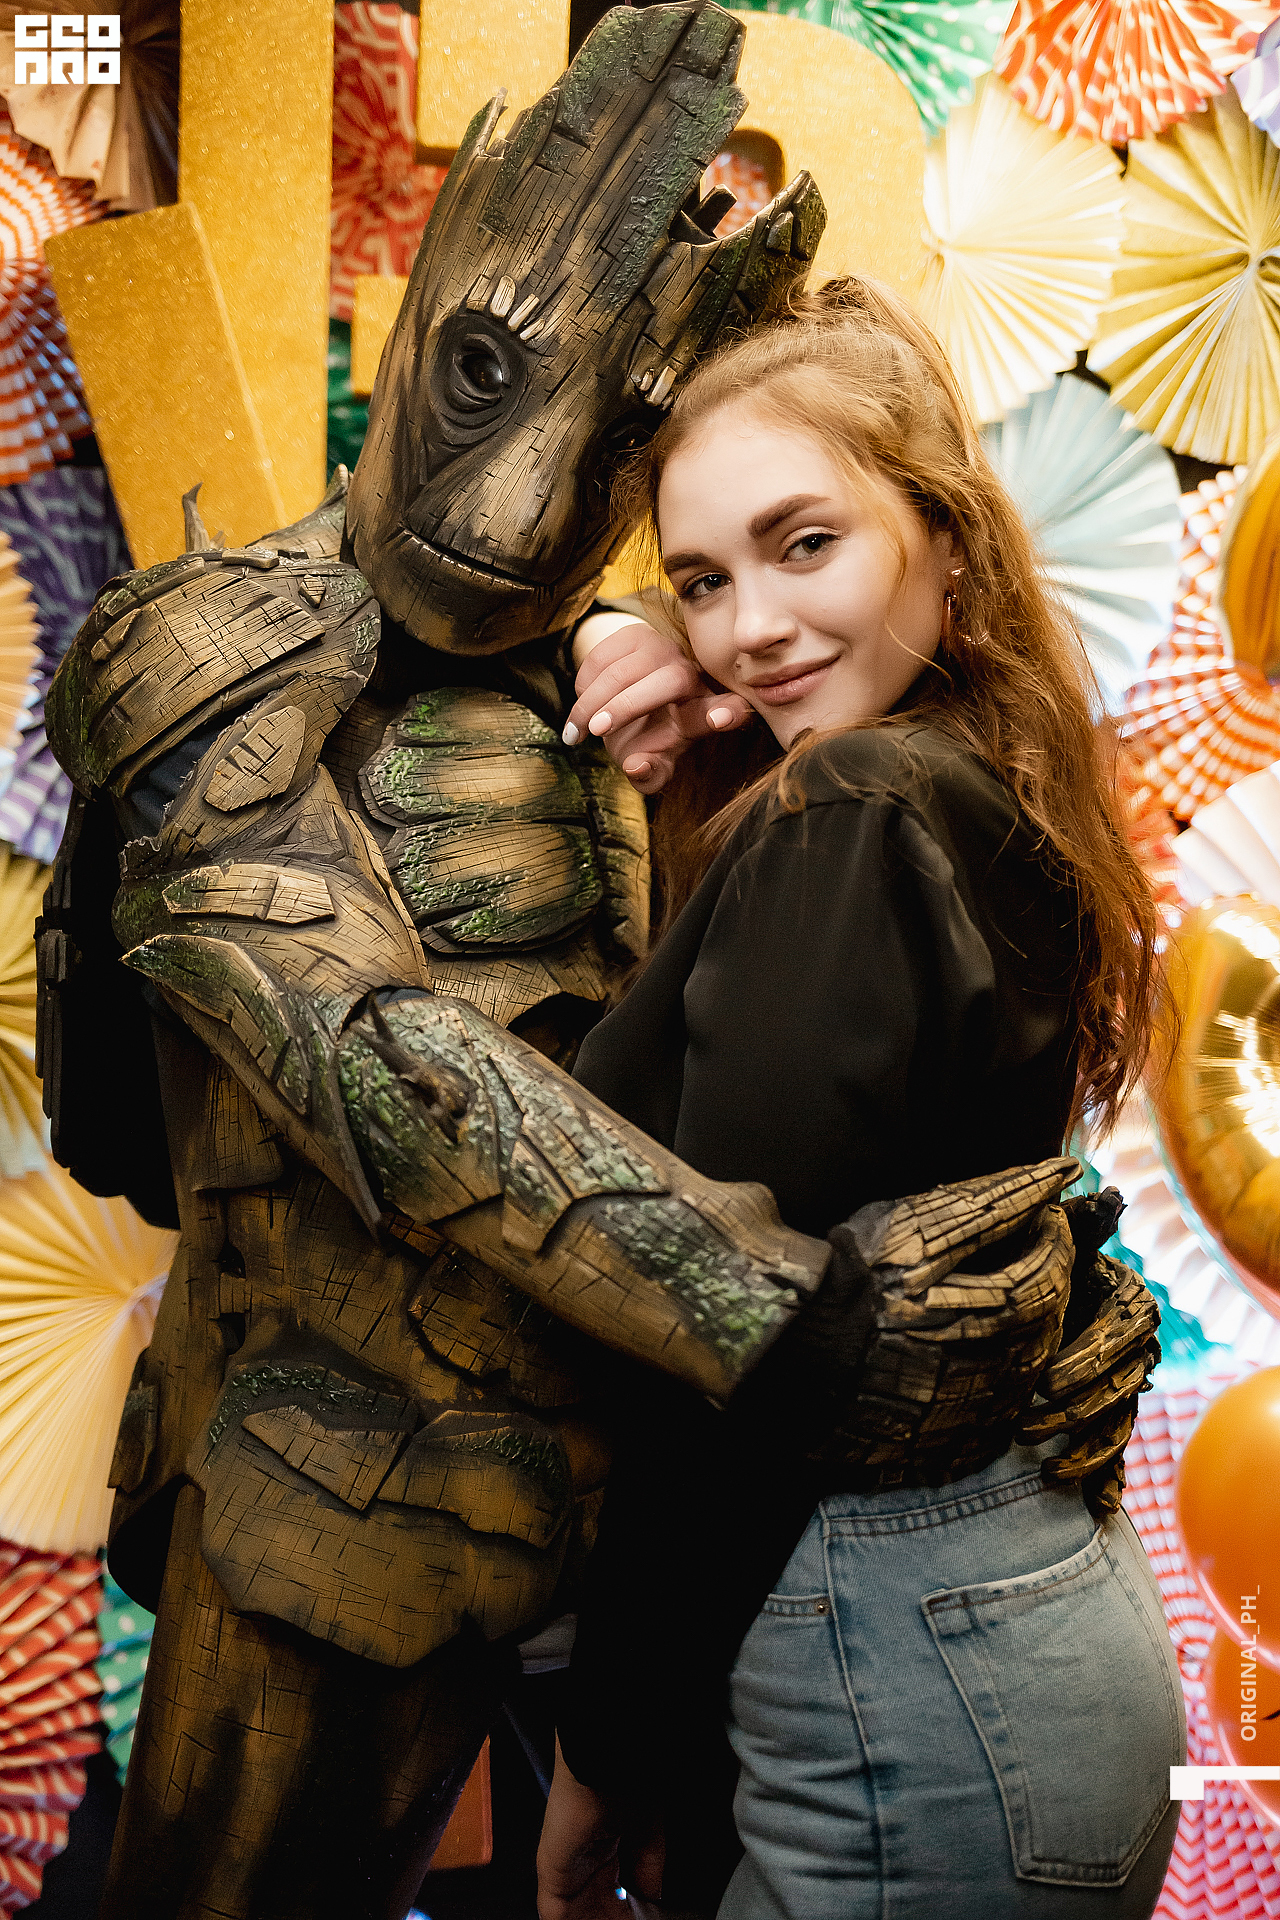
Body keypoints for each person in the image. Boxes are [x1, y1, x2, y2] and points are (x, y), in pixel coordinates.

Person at [534, 277, 1185, 1920]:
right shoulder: (970, 777)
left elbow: (734, 1344)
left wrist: (611, 1746)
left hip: (903, 1661)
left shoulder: (852, 804)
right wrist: (612, 633)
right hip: (1016, 1616)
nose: (748, 628)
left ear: (943, 545)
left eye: (804, 544)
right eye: (702, 579)